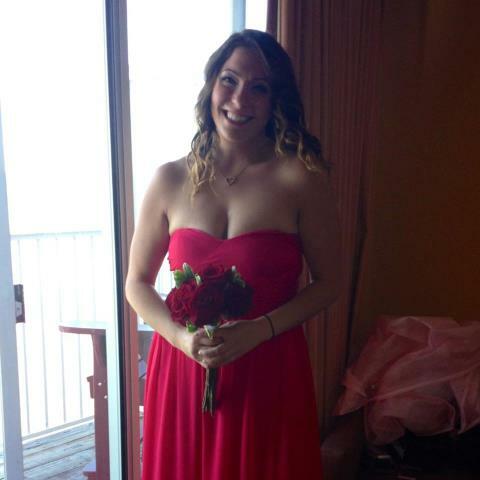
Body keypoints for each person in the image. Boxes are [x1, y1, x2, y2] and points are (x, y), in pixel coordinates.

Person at [126, 29, 341, 480]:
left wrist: (261, 330)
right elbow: (137, 283)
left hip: (269, 369)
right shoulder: (169, 180)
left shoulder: (301, 180)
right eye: (230, 80)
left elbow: (328, 284)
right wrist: (181, 339)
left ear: (275, 100)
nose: (240, 99)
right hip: (184, 367)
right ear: (212, 86)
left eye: (258, 87)